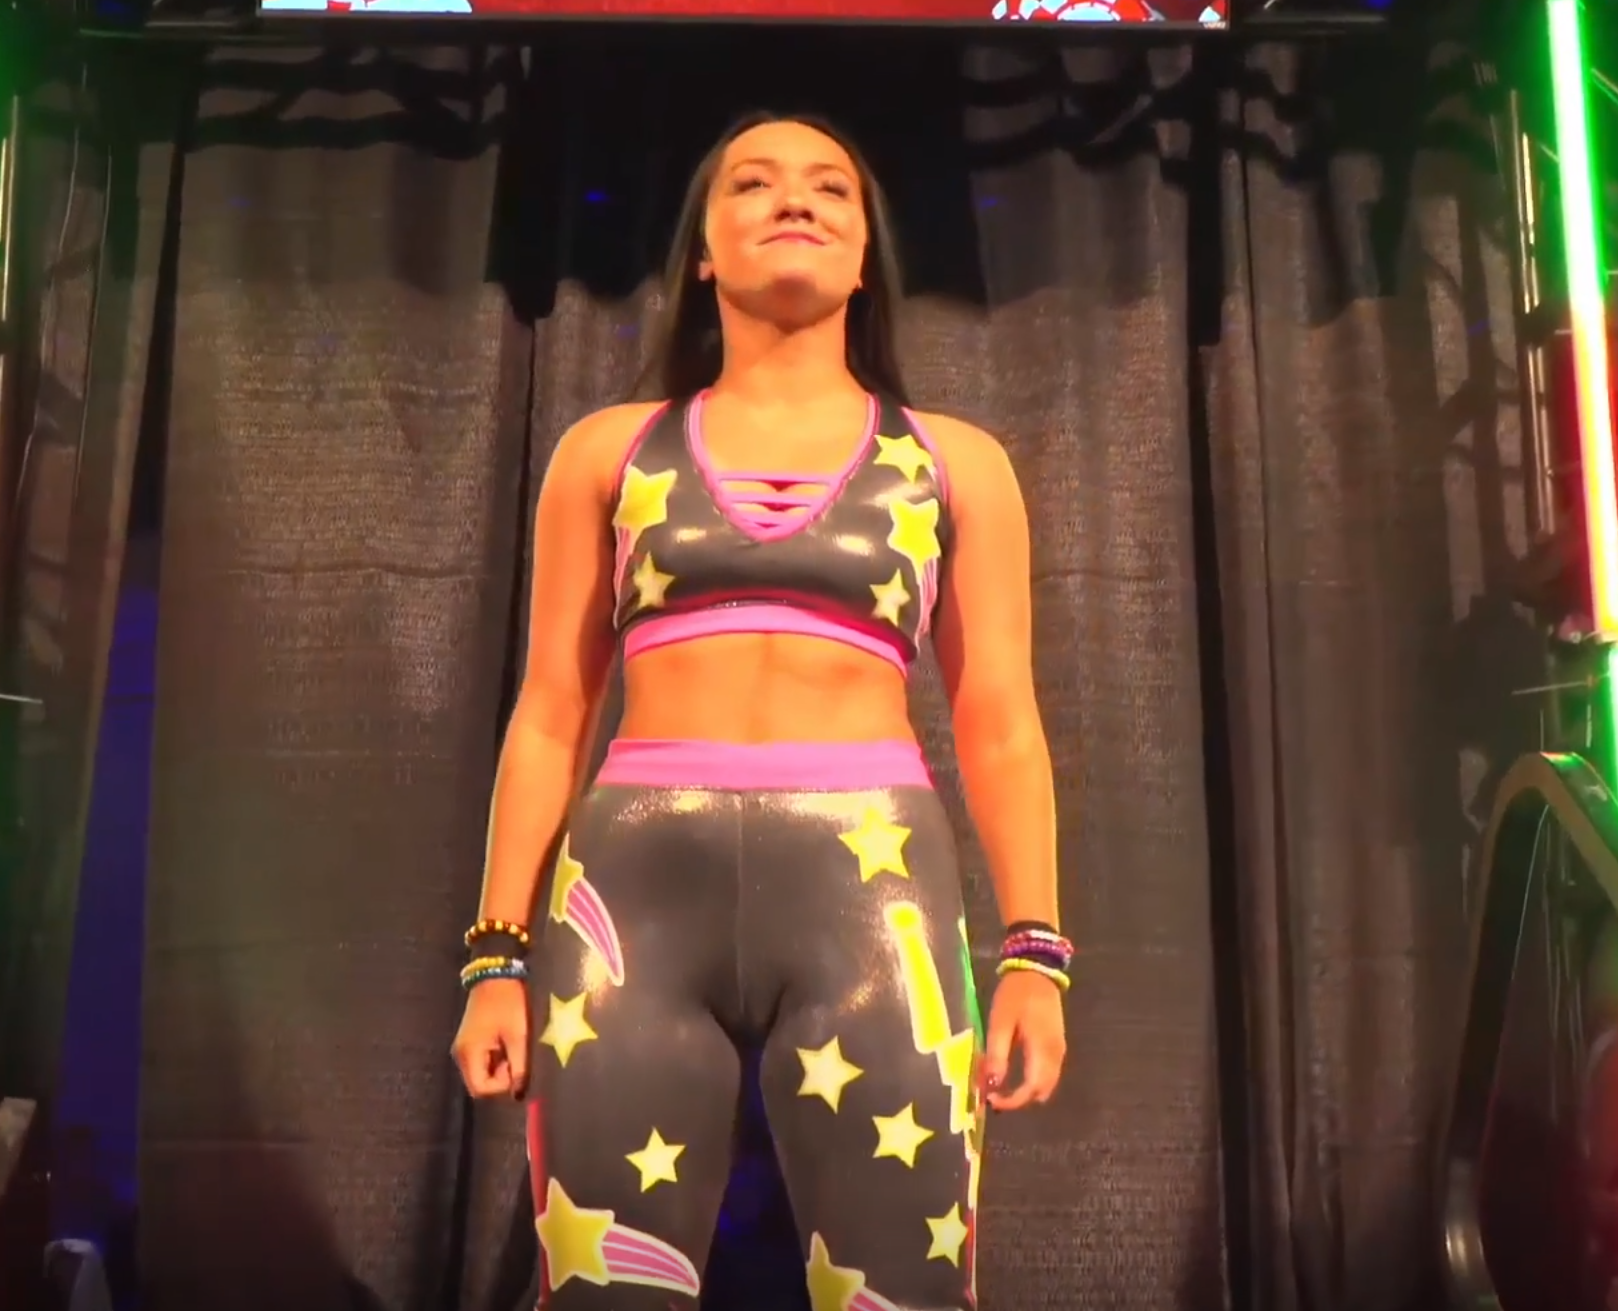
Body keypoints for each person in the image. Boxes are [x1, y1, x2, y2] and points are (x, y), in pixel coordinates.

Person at [450, 111, 1069, 1311]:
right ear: (700, 250)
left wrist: (1036, 956)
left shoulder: (956, 463)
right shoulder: (607, 453)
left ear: (864, 254)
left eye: (831, 187)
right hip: (629, 908)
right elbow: (550, 712)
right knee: (603, 1291)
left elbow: (1000, 721)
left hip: (872, 901)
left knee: (903, 1291)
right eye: (754, 183)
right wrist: (494, 956)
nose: (795, 200)